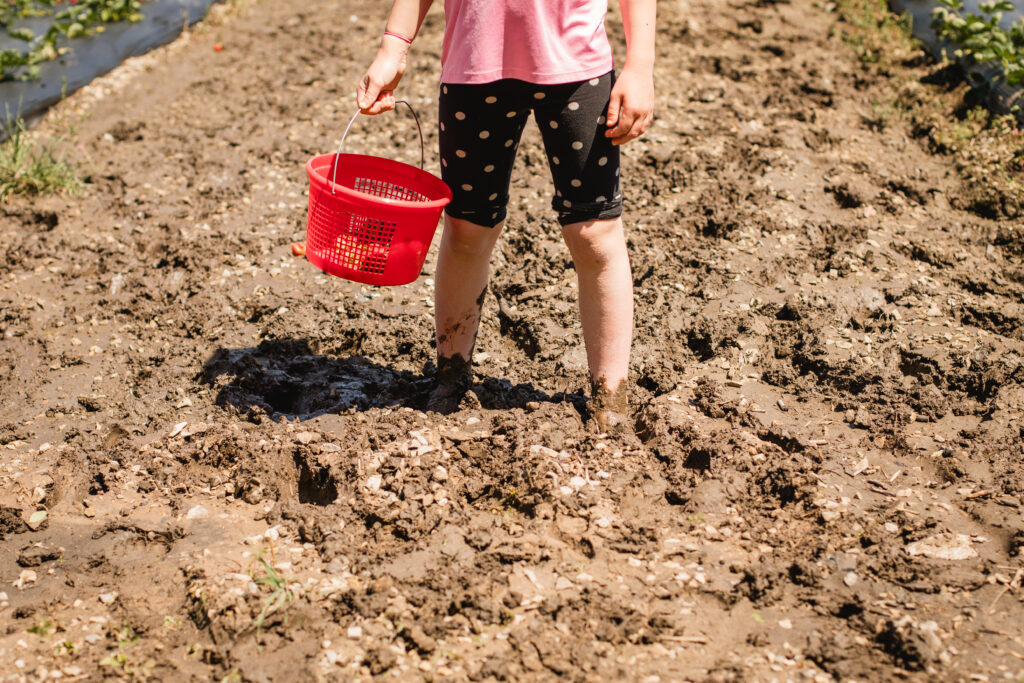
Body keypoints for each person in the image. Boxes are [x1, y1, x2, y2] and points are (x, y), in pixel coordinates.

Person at [355, 0, 655, 434]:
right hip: (473, 68)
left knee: (595, 232)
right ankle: (451, 376)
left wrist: (639, 66)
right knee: (466, 230)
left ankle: (611, 395)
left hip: (578, 70)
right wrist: (392, 48)